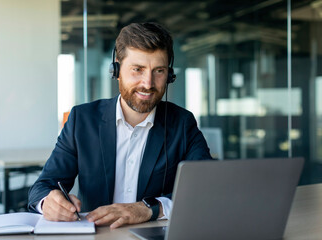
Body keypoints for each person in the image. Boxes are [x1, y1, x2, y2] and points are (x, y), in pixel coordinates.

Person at [28, 22, 212, 229]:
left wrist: (149, 208)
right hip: (98, 234)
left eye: (158, 71)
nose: (148, 83)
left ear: (169, 75)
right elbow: (42, 187)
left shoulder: (182, 123)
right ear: (116, 69)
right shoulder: (82, 119)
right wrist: (48, 203)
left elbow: (207, 189)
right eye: (137, 69)